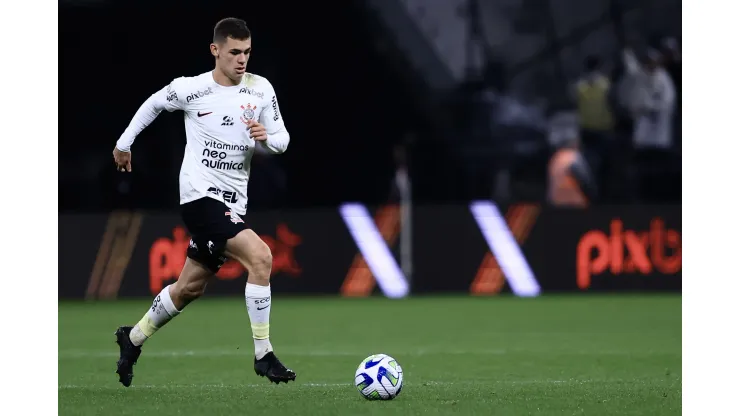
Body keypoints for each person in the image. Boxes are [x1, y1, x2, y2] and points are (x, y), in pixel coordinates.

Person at [110, 17, 296, 387]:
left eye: (246, 52)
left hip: (233, 202)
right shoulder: (191, 89)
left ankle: (132, 338)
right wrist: (124, 142)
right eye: (234, 52)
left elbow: (282, 140)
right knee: (260, 256)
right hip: (199, 196)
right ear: (216, 51)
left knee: (188, 289)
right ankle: (263, 354)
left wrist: (265, 139)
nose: (242, 59)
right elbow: (153, 104)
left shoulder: (260, 90)